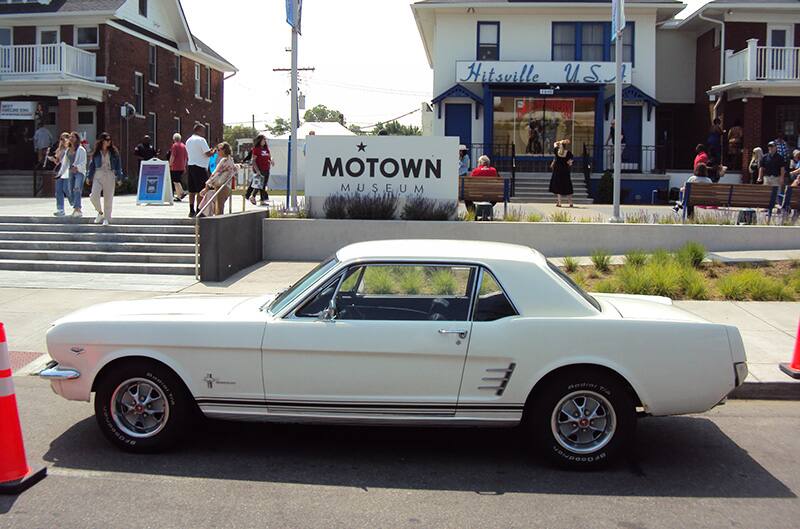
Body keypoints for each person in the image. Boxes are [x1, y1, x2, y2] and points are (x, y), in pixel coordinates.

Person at [87, 132, 124, 226]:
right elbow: (92, 166)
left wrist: (119, 177)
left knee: (108, 198)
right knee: (93, 196)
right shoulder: (96, 152)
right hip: (98, 174)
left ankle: (107, 218)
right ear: (102, 141)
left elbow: (118, 166)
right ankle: (100, 212)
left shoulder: (114, 152)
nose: (109, 142)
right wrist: (89, 177)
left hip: (109, 174)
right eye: (107, 140)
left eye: (110, 140)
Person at [199, 142, 237, 216]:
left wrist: (206, 187)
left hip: (221, 186)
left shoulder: (224, 161)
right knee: (216, 203)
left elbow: (215, 174)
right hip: (227, 187)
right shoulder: (231, 160)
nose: (217, 151)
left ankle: (216, 224)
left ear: (224, 150)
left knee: (219, 209)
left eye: (219, 150)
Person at [185, 123, 215, 217]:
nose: (204, 133)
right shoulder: (201, 140)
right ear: (199, 130)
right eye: (203, 130)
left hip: (190, 165)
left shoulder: (188, 140)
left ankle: (191, 210)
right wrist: (213, 151)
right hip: (200, 167)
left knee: (192, 190)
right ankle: (199, 209)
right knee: (201, 190)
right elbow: (207, 154)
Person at [50, 132, 73, 217]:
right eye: (61, 139)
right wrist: (53, 159)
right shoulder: (59, 150)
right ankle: (60, 209)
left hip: (67, 171)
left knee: (66, 189)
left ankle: (74, 203)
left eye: (65, 138)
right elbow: (57, 162)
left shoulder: (70, 149)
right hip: (60, 171)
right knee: (58, 190)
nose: (63, 140)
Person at [247, 133, 272, 206]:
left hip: (266, 168)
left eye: (265, 140)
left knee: (263, 185)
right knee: (259, 185)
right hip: (259, 169)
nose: (264, 141)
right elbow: (253, 161)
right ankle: (253, 196)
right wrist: (257, 170)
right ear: (259, 140)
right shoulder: (256, 149)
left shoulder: (266, 149)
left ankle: (262, 200)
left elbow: (269, 157)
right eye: (263, 140)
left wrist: (271, 160)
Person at [67, 131, 87, 218]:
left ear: (77, 139)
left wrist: (77, 167)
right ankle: (75, 205)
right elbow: (65, 161)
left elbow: (83, 161)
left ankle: (77, 209)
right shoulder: (68, 150)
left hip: (79, 172)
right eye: (70, 137)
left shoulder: (81, 149)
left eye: (73, 137)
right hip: (71, 172)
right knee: (70, 190)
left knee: (77, 188)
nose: (71, 138)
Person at [549, 139, 574, 207]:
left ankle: (559, 203)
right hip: (565, 171)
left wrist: (561, 141)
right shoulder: (568, 153)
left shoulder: (557, 151)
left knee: (558, 185)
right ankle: (570, 202)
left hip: (557, 170)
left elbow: (555, 143)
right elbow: (570, 162)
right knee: (567, 185)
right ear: (566, 146)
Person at [168, 133, 188, 202]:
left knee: (175, 181)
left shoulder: (174, 146)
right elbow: (186, 157)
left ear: (174, 139)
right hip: (182, 166)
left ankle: (182, 193)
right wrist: (185, 166)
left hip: (175, 166)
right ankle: (179, 196)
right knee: (177, 180)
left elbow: (172, 156)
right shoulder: (184, 146)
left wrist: (170, 164)